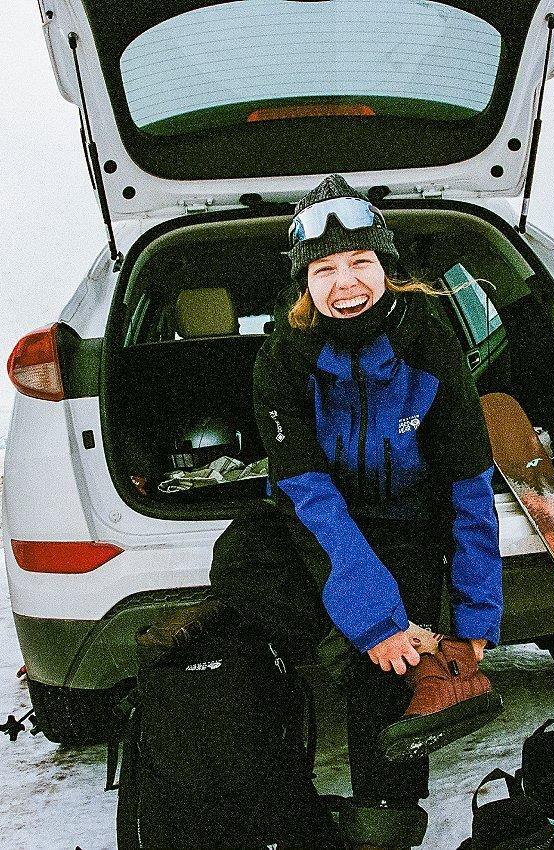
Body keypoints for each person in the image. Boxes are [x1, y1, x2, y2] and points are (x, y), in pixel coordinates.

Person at [211, 174, 504, 850]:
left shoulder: (432, 344)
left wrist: (475, 624)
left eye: (360, 262)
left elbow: (468, 488)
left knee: (387, 666)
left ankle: (386, 822)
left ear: (387, 268)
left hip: (406, 518)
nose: (346, 282)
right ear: (304, 283)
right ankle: (399, 650)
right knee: (242, 561)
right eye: (326, 268)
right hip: (318, 510)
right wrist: (372, 623)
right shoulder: (280, 361)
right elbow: (310, 495)